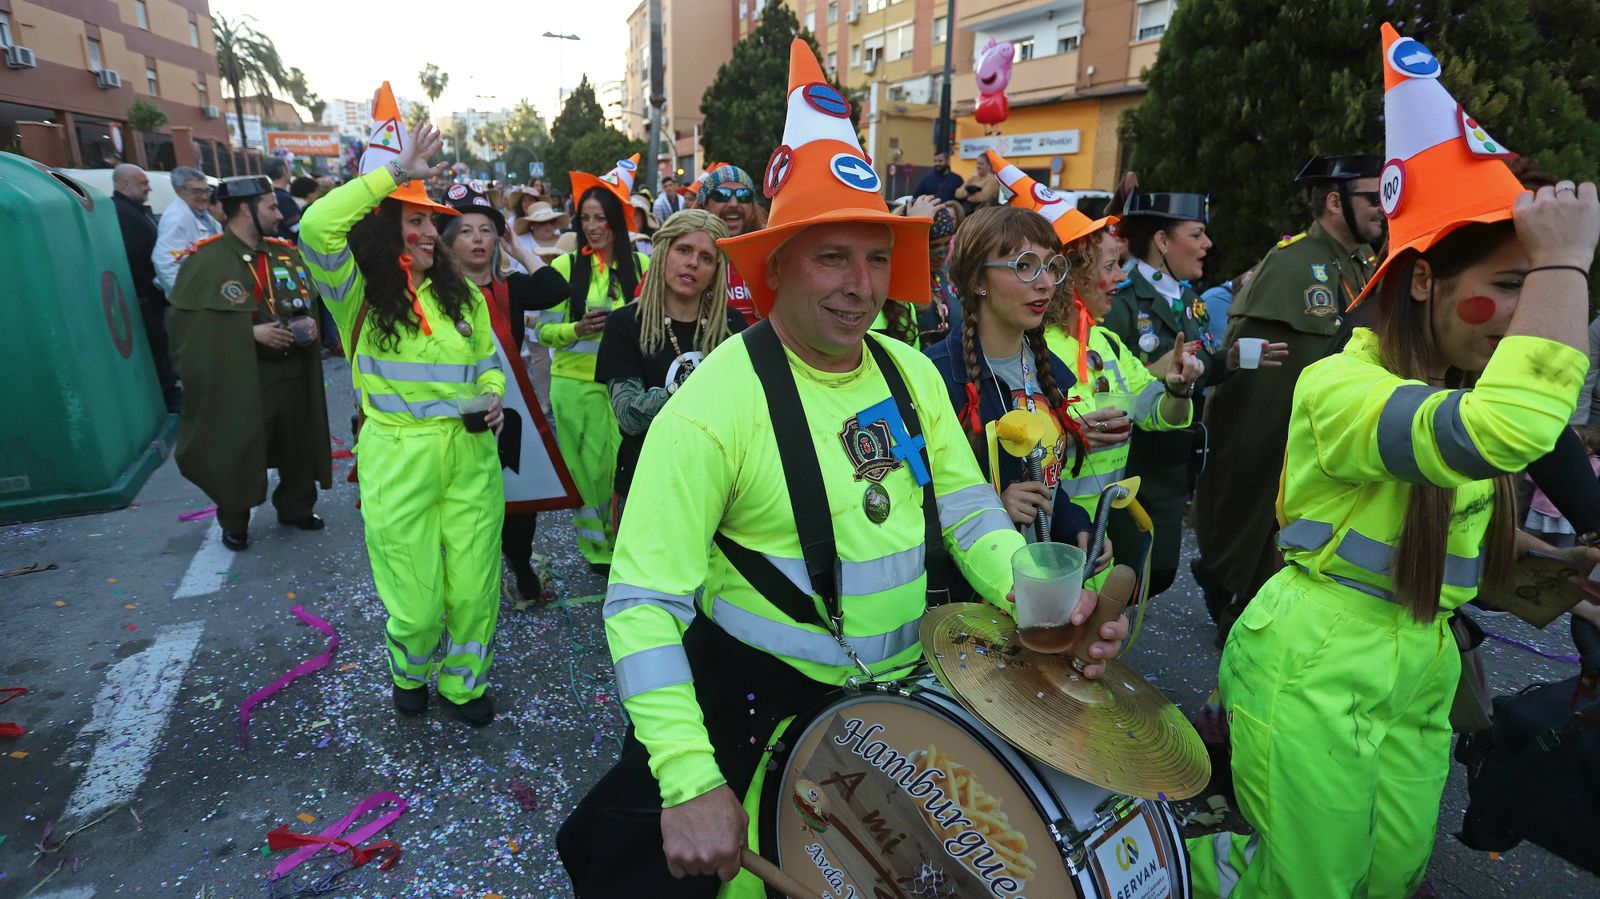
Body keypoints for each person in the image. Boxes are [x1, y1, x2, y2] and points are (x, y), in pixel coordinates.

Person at [558, 42, 1128, 899]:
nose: (862, 286)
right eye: (833, 256)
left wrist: (1038, 599)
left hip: (891, 712)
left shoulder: (910, 372)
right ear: (777, 263)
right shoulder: (711, 407)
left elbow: (969, 511)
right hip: (754, 718)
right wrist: (689, 779)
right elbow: (642, 604)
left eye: (876, 256)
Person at [1187, 25, 1600, 897]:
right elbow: (1502, 430)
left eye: (1532, 287)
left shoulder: (1459, 387)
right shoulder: (1342, 387)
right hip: (1315, 661)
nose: (1524, 313)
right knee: (1310, 884)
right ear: (1421, 281)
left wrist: (1559, 564)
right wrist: (1564, 262)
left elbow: (1452, 536)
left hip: (1422, 661)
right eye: (1511, 285)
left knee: (1391, 873)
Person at [299, 91, 506, 728]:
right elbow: (315, 228)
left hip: (471, 457)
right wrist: (394, 171)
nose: (428, 233)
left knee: (474, 592)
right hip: (396, 458)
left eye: (430, 221)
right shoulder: (352, 293)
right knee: (417, 606)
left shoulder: (463, 295)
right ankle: (408, 671)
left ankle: (463, 686)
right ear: (384, 228)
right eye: (413, 220)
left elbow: (488, 362)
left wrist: (494, 396)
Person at [976, 151, 1200, 579]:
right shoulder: (1030, 348)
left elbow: (1157, 413)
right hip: (1038, 534)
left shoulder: (1105, 341)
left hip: (1094, 529)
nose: (1121, 278)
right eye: (1110, 266)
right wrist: (1070, 437)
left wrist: (1177, 386)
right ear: (1074, 275)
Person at [1191, 155, 1382, 638]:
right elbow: (1255, 387)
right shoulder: (1293, 262)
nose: (1383, 207)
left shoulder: (1362, 262)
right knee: (1263, 520)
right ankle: (1235, 598)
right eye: (1372, 197)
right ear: (1335, 202)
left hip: (1333, 434)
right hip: (1282, 433)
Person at [922, 204, 1107, 581]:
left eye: (1051, 266)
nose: (1045, 283)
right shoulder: (933, 376)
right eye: (1024, 265)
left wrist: (1077, 526)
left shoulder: (1049, 371)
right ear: (978, 280)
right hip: (969, 592)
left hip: (1036, 585)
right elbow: (913, 504)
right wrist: (992, 511)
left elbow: (1046, 482)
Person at [167, 176, 332, 551]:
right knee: (238, 447)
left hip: (291, 371)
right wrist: (248, 334)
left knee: (297, 441)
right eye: (271, 207)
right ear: (245, 209)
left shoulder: (283, 254)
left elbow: (300, 301)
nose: (280, 214)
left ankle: (296, 507)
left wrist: (307, 325)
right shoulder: (206, 260)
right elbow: (188, 332)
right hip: (242, 377)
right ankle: (235, 519)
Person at [438, 183, 576, 602]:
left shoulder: (511, 286)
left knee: (518, 492)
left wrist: (518, 249)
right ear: (448, 242)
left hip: (509, 405)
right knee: (461, 495)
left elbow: (556, 289)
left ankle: (519, 561)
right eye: (466, 231)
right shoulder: (434, 293)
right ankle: (466, 574)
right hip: (453, 409)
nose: (478, 239)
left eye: (487, 230)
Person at [1101, 189, 1222, 598]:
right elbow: (1101, 379)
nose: (1207, 245)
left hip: (1176, 461)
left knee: (1159, 573)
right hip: (1136, 465)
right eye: (1197, 234)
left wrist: (1229, 360)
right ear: (1162, 241)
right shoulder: (1122, 299)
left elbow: (1202, 361)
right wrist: (1152, 374)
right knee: (1128, 576)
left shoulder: (1189, 300)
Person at [536, 156, 651, 570]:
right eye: (585, 218)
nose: (592, 226)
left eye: (600, 218)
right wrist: (576, 329)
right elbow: (542, 332)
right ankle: (597, 551)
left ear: (616, 221)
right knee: (586, 473)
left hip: (626, 388)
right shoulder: (564, 267)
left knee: (627, 468)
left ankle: (627, 543)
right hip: (574, 388)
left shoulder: (642, 266)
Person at [595, 210, 746, 514]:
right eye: (683, 250)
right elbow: (628, 416)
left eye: (706, 258)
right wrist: (688, 386)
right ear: (663, 252)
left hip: (718, 485)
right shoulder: (626, 323)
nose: (693, 263)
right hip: (647, 484)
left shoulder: (732, 326)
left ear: (716, 270)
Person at [112, 163, 181, 413]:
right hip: (143, 297)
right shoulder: (122, 212)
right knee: (155, 346)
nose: (148, 188)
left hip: (151, 295)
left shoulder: (134, 210)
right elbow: (135, 256)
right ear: (125, 184)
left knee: (161, 343)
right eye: (143, 183)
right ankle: (168, 396)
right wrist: (145, 290)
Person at [697, 165, 763, 325]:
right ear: (705, 205)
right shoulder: (684, 257)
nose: (733, 203)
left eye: (744, 196)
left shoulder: (772, 254)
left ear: (752, 207)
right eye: (721, 195)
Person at [902, 194, 964, 345]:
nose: (941, 254)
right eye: (933, 246)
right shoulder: (899, 281)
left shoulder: (950, 274)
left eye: (946, 243)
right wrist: (914, 229)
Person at [153, 166, 221, 296]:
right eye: (197, 192)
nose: (204, 196)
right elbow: (165, 261)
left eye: (207, 190)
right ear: (179, 191)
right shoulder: (176, 218)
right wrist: (185, 296)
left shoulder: (202, 214)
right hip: (194, 295)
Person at [263, 156, 299, 239]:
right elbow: (296, 228)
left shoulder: (267, 195)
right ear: (284, 171)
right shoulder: (283, 198)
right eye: (289, 169)